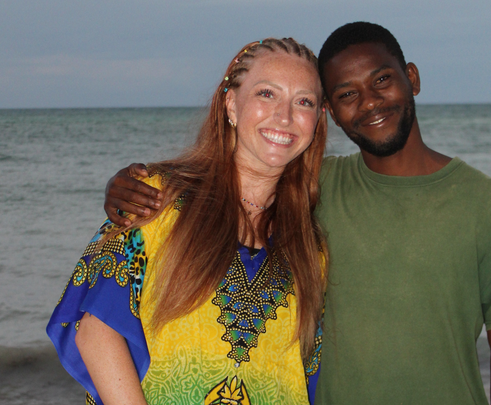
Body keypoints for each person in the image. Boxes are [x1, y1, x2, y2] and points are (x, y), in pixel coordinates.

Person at [103, 22, 491, 405]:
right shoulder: (313, 188)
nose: (370, 102)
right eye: (347, 94)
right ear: (332, 113)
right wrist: (133, 184)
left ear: (412, 78)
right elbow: (238, 175)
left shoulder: (490, 203)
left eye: (382, 80)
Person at [47, 37, 329, 405]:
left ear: (317, 120)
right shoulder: (157, 198)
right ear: (231, 104)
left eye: (304, 101)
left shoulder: (311, 246)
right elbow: (96, 331)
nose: (285, 116)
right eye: (267, 93)